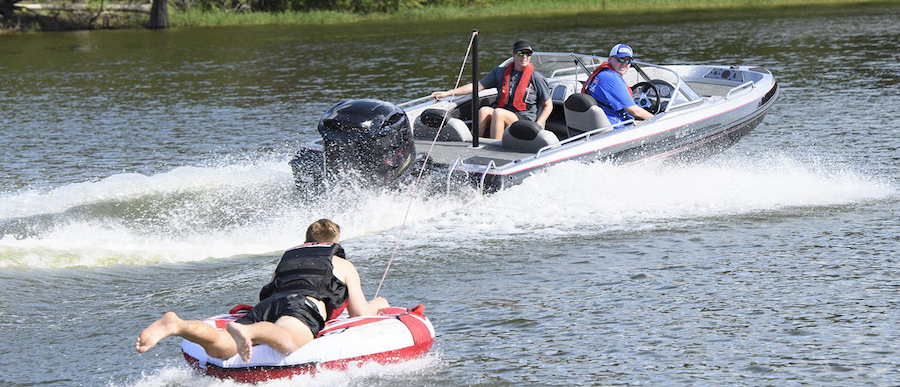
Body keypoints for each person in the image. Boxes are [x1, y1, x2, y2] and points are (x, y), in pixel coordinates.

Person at [136, 219, 389, 363]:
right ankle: (247, 331)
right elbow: (358, 313)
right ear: (334, 243)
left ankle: (177, 325)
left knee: (222, 347)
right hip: (301, 306)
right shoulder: (342, 263)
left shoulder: (287, 260)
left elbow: (270, 290)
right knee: (288, 340)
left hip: (269, 306)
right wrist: (379, 303)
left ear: (306, 240)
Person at [432, 39, 552, 140]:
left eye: (528, 54)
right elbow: (477, 86)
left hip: (524, 117)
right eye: (521, 53)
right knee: (484, 110)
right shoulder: (500, 72)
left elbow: (548, 105)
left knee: (498, 112)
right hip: (501, 112)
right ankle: (475, 143)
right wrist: (448, 93)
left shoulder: (536, 78)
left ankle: (496, 149)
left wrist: (538, 125)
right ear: (513, 54)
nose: (525, 57)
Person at [583, 43, 654, 126]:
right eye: (620, 59)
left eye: (628, 61)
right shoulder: (611, 78)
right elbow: (635, 111)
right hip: (615, 127)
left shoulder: (602, 74)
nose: (624, 63)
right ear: (610, 59)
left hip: (599, 122)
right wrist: (658, 119)